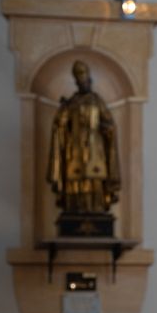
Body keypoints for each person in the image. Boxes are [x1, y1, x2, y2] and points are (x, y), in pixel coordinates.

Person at [47, 60, 121, 213]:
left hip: (95, 150)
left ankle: (97, 209)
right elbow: (60, 127)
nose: (84, 84)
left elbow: (110, 124)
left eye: (86, 80)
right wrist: (62, 114)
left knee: (95, 180)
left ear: (90, 81)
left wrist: (106, 129)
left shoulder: (97, 101)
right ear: (77, 83)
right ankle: (74, 209)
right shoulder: (71, 103)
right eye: (80, 81)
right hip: (74, 150)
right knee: (74, 179)